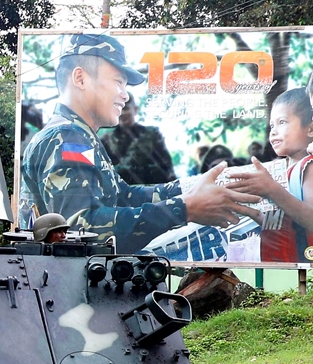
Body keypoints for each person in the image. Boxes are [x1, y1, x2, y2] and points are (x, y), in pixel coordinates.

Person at [21, 33, 261, 254]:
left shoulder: (78, 137)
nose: (125, 94)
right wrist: (183, 209)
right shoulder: (65, 137)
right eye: (118, 82)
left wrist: (188, 188)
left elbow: (124, 196)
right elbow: (81, 230)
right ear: (80, 78)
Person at [228, 88, 313, 262]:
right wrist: (250, 211)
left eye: (282, 122)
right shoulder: (281, 172)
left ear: (310, 129)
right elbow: (284, 224)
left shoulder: (308, 166)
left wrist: (272, 190)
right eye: (272, 125)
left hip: (304, 268)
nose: (273, 132)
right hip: (280, 266)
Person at [99, 92, 175, 185]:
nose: (122, 113)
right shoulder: (105, 141)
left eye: (126, 108)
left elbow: (167, 170)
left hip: (151, 190)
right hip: (118, 192)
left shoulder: (152, 135)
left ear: (135, 109)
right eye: (118, 108)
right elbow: (102, 174)